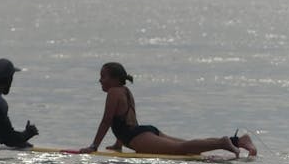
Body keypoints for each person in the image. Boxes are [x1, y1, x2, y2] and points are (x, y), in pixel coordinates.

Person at [80, 62, 257, 157]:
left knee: (183, 148)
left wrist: (93, 146)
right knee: (188, 146)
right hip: (144, 132)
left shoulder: (113, 93)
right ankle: (238, 141)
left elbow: (107, 121)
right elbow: (125, 120)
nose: (100, 80)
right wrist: (118, 145)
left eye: (103, 77)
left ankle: (223, 143)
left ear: (115, 79)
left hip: (137, 137)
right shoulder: (125, 90)